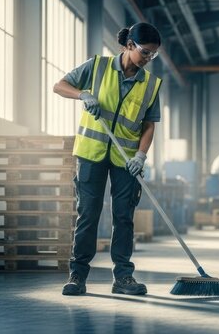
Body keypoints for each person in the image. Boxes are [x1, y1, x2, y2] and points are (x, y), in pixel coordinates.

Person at [53, 23, 162, 296]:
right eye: (145, 53)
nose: (148, 59)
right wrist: (83, 94)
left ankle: (123, 278)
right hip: (91, 154)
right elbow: (60, 85)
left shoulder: (150, 84)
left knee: (124, 217)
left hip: (126, 160)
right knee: (88, 215)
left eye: (153, 56)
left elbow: (149, 124)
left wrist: (141, 155)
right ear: (129, 45)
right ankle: (77, 275)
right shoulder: (98, 66)